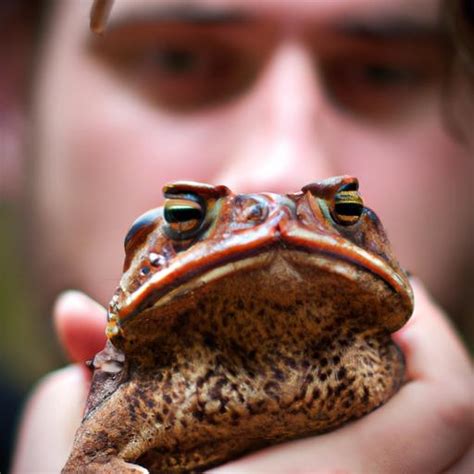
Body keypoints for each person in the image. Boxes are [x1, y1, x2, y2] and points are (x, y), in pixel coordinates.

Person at [5, 0, 473, 472]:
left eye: (383, 72)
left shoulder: (384, 363)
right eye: (178, 58)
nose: (277, 176)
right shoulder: (139, 400)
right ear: (10, 95)